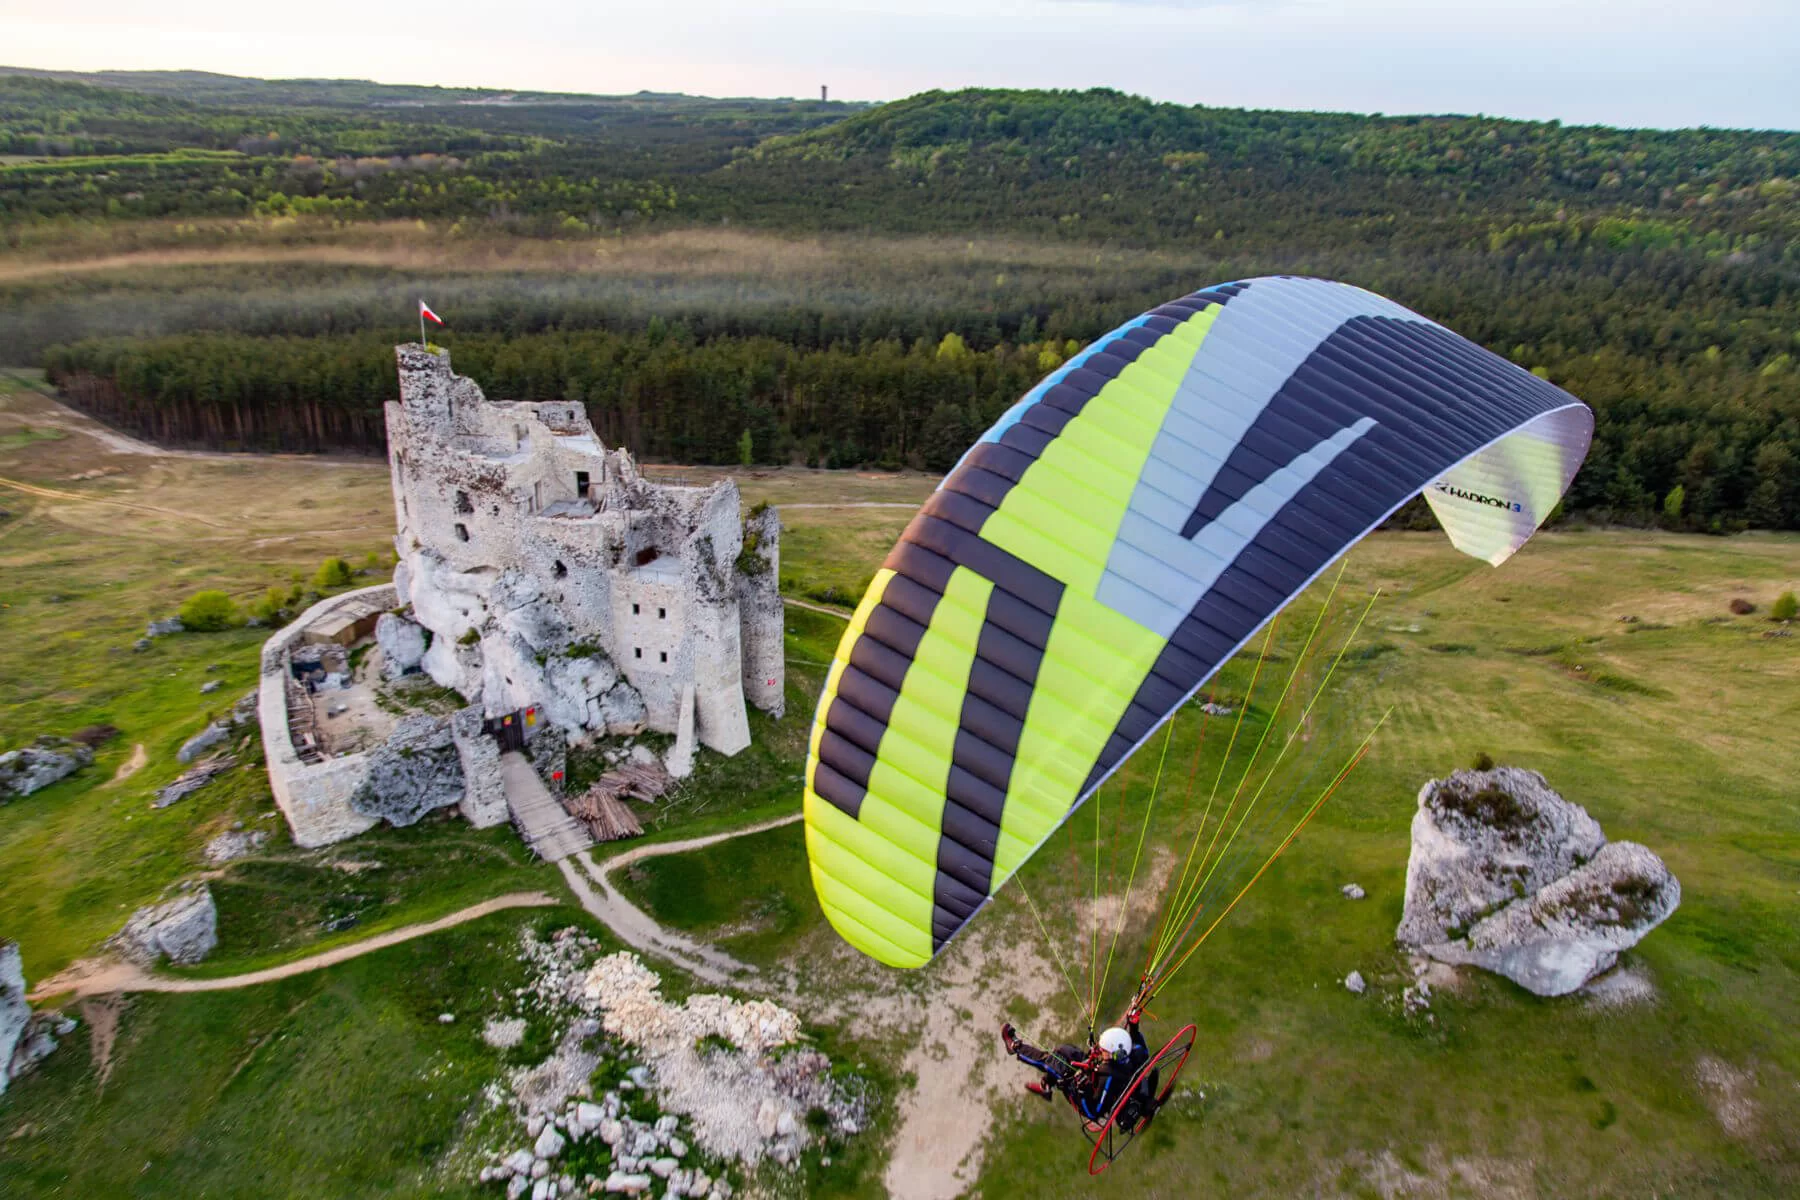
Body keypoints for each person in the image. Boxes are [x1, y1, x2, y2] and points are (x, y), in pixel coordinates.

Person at [1001, 1008, 1149, 1130]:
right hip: (1093, 1077)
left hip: (1084, 1096)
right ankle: (1047, 1085)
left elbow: (1093, 1112)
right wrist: (1133, 1027)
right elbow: (1141, 1048)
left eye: (1103, 1050)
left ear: (1113, 1054)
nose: (1101, 1051)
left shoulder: (1108, 1079)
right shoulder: (1134, 1053)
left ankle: (1015, 1047)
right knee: (1066, 1051)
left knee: (1051, 1062)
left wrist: (1083, 1090)